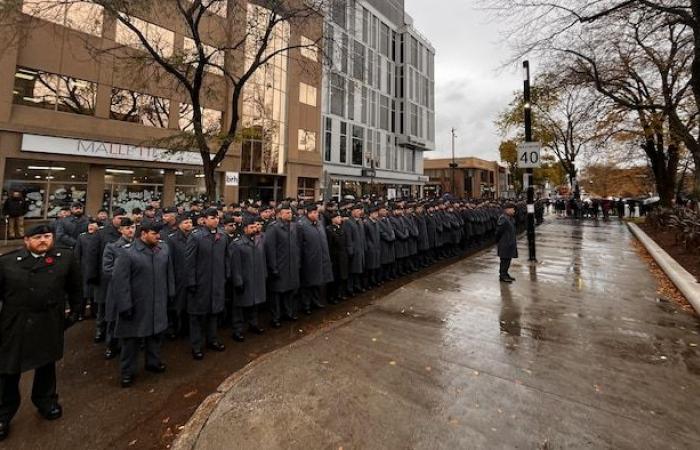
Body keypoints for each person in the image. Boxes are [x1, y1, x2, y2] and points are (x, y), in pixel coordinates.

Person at [0, 224, 81, 441]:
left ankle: (46, 401)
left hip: (48, 320)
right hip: (15, 323)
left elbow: (75, 289)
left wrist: (74, 313)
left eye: (47, 236)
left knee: (46, 365)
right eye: (38, 237)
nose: (44, 240)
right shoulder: (8, 262)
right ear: (26, 241)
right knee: (9, 369)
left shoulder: (64, 258)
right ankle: (3, 413)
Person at [110, 222, 174, 387]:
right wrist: (124, 306)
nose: (158, 236)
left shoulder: (163, 249)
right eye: (154, 233)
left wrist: (170, 294)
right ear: (143, 234)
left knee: (155, 336)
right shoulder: (127, 253)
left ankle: (153, 362)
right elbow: (120, 282)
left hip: (157, 301)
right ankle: (127, 372)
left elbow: (169, 273)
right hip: (136, 304)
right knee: (131, 342)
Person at [186, 208, 227, 360]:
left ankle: (212, 340)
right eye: (212, 217)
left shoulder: (221, 236)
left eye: (217, 217)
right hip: (200, 283)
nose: (215, 220)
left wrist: (224, 276)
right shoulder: (196, 236)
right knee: (197, 316)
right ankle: (196, 346)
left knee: (213, 313)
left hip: (216, 281)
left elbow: (225, 258)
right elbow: (189, 262)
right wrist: (191, 282)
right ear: (204, 220)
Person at [101, 217, 136, 360]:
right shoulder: (112, 247)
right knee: (113, 319)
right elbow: (107, 269)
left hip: (134, 288)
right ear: (120, 230)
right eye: (127, 228)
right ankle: (111, 345)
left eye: (133, 227)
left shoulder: (138, 245)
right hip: (117, 289)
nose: (131, 230)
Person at [228, 216, 266, 342]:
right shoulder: (237, 244)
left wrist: (264, 274)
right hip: (245, 279)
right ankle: (237, 330)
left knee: (254, 304)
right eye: (252, 227)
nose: (255, 229)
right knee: (239, 307)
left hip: (257, 278)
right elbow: (235, 265)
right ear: (245, 229)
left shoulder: (258, 240)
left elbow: (263, 260)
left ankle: (253, 324)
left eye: (256, 226)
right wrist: (238, 281)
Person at [264, 202, 301, 327]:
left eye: (290, 212)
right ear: (279, 214)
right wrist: (273, 267)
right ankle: (275, 317)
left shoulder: (293, 226)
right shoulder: (273, 227)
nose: (290, 215)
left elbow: (297, 246)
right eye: (287, 213)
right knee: (277, 294)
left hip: (291, 266)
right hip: (280, 266)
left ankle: (288, 313)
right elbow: (270, 249)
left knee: (289, 292)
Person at [298, 205, 333, 315]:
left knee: (317, 283)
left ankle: (316, 301)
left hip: (320, 258)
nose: (315, 215)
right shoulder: (301, 225)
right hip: (308, 260)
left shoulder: (319, 223)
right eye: (312, 213)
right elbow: (298, 245)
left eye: (316, 212)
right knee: (307, 285)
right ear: (307, 213)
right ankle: (306, 305)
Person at [165, 215, 193, 339]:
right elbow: (169, 260)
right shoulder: (172, 239)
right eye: (186, 222)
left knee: (188, 305)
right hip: (177, 276)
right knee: (175, 305)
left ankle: (185, 328)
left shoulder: (194, 237)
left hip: (190, 276)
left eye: (190, 222)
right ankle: (172, 328)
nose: (189, 225)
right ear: (179, 224)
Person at [74, 218, 101, 320]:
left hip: (96, 269)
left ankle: (94, 313)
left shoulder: (100, 237)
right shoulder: (82, 237)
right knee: (83, 294)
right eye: (89, 225)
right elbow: (77, 254)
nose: (90, 227)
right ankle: (80, 313)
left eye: (93, 225)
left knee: (95, 294)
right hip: (84, 269)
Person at [325, 212, 349, 303]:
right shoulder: (329, 229)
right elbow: (329, 245)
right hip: (334, 257)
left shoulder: (342, 228)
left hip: (342, 256)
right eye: (338, 217)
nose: (340, 219)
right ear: (333, 219)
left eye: (340, 217)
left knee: (341, 277)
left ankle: (340, 294)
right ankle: (332, 296)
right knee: (334, 278)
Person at [496, 203, 518, 283]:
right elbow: (498, 231)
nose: (514, 211)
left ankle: (505, 273)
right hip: (505, 243)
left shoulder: (510, 218)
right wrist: (501, 241)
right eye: (512, 209)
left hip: (510, 243)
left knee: (508, 260)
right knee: (504, 260)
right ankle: (502, 275)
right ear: (507, 209)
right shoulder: (503, 218)